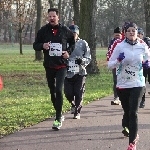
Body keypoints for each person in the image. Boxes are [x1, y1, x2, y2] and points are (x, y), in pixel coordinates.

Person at [108, 22, 149, 150]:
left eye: (134, 30)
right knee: (127, 111)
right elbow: (110, 65)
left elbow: (149, 58)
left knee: (133, 112)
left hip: (138, 83)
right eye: (129, 31)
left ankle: (132, 143)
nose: (132, 33)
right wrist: (118, 60)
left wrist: (147, 64)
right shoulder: (120, 46)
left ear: (137, 32)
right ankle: (130, 130)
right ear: (125, 33)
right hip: (123, 84)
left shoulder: (143, 46)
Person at [33, 8, 75, 130]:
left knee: (58, 89)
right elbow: (35, 45)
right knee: (52, 91)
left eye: (54, 16)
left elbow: (73, 43)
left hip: (62, 65)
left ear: (58, 17)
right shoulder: (43, 31)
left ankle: (57, 119)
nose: (51, 18)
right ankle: (59, 113)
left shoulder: (65, 30)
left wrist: (68, 52)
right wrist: (42, 46)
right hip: (49, 65)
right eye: (50, 16)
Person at [64, 25, 91, 119]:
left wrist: (82, 61)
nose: (73, 35)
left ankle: (77, 112)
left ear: (77, 33)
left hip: (80, 72)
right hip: (67, 73)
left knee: (78, 93)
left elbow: (88, 57)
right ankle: (73, 104)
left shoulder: (83, 43)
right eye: (71, 33)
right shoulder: (65, 43)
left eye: (74, 33)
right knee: (68, 93)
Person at [108, 27, 122, 105]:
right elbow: (109, 53)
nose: (117, 37)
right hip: (115, 64)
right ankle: (116, 97)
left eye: (118, 35)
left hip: (123, 64)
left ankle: (123, 97)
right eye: (116, 35)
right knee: (115, 81)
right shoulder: (112, 43)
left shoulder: (123, 42)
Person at [137, 28, 150, 108]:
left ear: (142, 35)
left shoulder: (147, 41)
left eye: (140, 34)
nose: (138, 35)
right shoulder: (134, 43)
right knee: (143, 84)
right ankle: (142, 101)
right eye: (137, 33)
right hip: (143, 66)